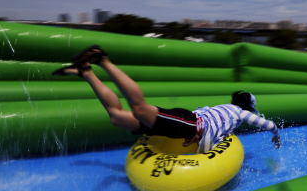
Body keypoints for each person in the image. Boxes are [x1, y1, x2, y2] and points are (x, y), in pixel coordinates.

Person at [52, 45, 280, 152]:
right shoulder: (239, 114)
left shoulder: (223, 108)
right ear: (248, 109)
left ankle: (87, 72)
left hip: (187, 122)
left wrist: (196, 137)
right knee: (140, 109)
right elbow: (267, 124)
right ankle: (103, 60)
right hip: (188, 122)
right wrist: (276, 134)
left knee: (116, 117)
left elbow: (204, 115)